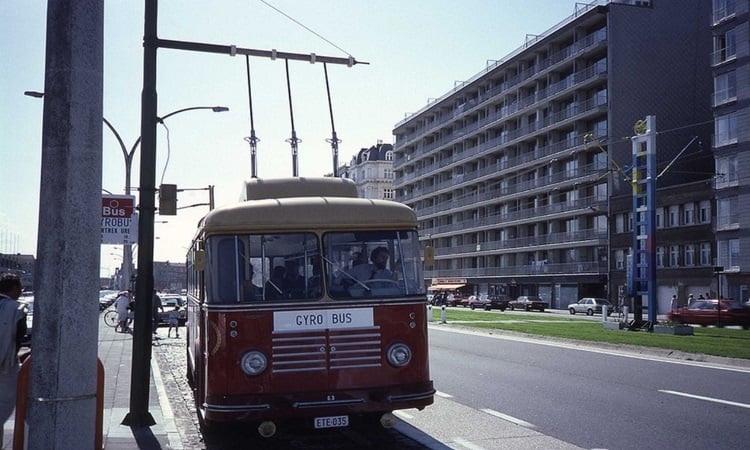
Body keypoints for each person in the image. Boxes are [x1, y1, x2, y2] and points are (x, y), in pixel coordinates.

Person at [0, 273, 27, 445]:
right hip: (5, 366)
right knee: (3, 406)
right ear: (15, 288)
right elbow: (18, 338)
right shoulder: (17, 309)